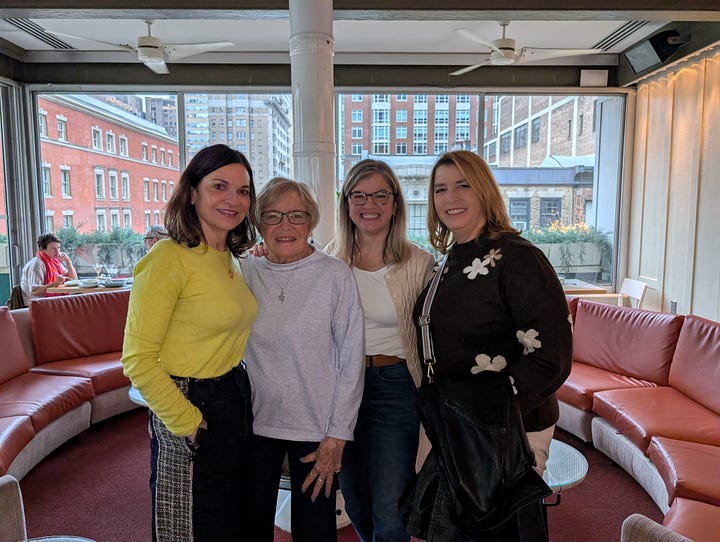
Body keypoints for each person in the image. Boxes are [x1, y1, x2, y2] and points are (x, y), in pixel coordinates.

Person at [411, 150, 573, 541]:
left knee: (500, 530)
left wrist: (489, 406)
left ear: (485, 191)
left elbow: (552, 356)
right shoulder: (449, 260)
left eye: (463, 185)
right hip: (453, 421)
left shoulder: (518, 258)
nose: (450, 198)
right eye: (440, 189)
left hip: (505, 428)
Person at [121, 144, 259, 542]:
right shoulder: (168, 257)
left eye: (243, 190)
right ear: (192, 192)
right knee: (188, 526)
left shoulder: (229, 257)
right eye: (219, 186)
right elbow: (137, 359)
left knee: (228, 519)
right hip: (189, 402)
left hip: (233, 395)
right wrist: (189, 424)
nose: (233, 199)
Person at [239, 177, 365, 542]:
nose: (285, 226)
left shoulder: (334, 274)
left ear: (311, 220)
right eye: (273, 216)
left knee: (315, 530)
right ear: (258, 221)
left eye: (296, 215)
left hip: (316, 428)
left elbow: (351, 360)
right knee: (250, 525)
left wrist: (338, 435)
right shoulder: (244, 270)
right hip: (254, 424)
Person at [326, 159, 435, 542]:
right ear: (346, 203)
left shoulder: (419, 263)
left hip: (394, 386)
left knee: (390, 507)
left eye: (379, 195)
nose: (368, 204)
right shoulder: (330, 260)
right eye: (358, 195)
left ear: (395, 203)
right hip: (341, 389)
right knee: (355, 499)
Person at [20, 232, 78, 305]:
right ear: (42, 249)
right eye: (53, 249)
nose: (57, 252)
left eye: (58, 248)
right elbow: (34, 291)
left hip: (52, 302)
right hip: (38, 305)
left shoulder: (54, 261)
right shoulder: (37, 264)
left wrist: (68, 261)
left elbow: (73, 279)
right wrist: (56, 283)